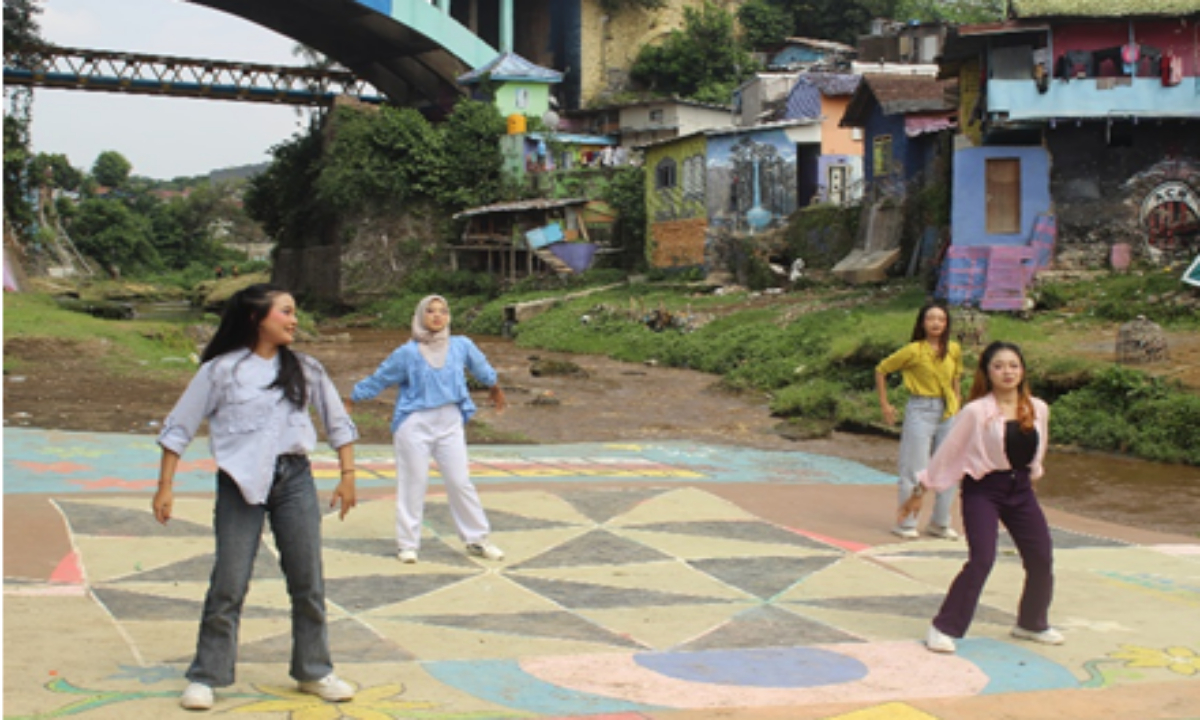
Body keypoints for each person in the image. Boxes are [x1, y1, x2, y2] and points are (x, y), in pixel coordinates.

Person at [152, 283, 359, 711]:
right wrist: (165, 486)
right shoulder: (219, 372)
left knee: (307, 580)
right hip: (238, 483)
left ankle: (314, 670)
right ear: (256, 318)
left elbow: (338, 422)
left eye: (294, 311)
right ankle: (207, 675)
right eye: (285, 311)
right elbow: (179, 428)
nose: (293, 320)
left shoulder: (306, 368)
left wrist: (347, 474)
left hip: (294, 480)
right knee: (229, 580)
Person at [901, 341, 1063, 654]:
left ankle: (1031, 622)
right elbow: (948, 453)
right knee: (982, 559)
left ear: (1023, 370)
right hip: (984, 490)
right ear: (987, 373)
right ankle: (943, 627)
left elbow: (1038, 450)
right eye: (999, 366)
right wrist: (921, 491)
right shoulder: (976, 412)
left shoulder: (1038, 408)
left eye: (1013, 365)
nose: (1007, 372)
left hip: (1021, 490)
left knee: (1041, 557)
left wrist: (1032, 476)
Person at [350, 295, 507, 564]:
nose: (437, 316)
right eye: (430, 311)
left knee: (460, 482)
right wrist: (351, 399)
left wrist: (495, 387)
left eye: (443, 311)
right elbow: (381, 377)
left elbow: (482, 368)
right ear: (420, 316)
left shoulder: (461, 346)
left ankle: (477, 539)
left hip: (450, 422)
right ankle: (407, 544)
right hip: (415, 423)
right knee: (413, 483)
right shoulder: (407, 352)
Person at [875, 301, 963, 540]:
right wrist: (885, 404)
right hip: (921, 409)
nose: (936, 323)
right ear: (922, 323)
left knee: (949, 467)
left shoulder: (953, 349)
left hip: (948, 411)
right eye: (931, 319)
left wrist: (958, 406)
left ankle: (940, 522)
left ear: (946, 324)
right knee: (915, 469)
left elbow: (956, 378)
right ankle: (906, 522)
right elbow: (882, 369)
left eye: (941, 319)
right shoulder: (914, 350)